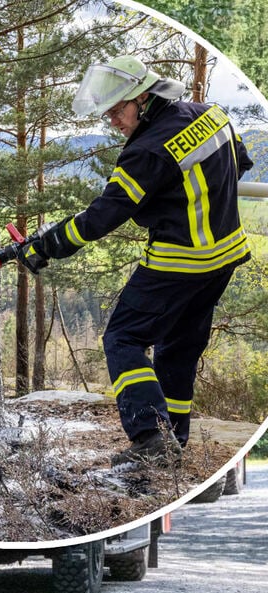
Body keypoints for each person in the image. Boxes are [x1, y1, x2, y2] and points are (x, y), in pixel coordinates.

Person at [19, 55, 253, 466]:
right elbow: (240, 163)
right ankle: (173, 441)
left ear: (143, 98)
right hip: (225, 257)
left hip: (178, 263)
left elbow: (99, 219)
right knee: (177, 352)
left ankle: (149, 438)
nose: (113, 122)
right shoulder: (211, 114)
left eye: (116, 111)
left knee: (122, 339)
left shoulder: (146, 150)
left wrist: (44, 246)